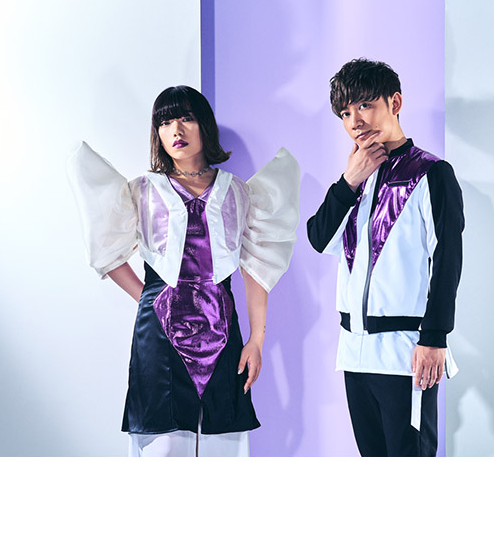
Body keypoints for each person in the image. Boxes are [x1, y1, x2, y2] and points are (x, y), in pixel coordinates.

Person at [68, 85, 300, 457]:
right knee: (162, 446)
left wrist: (256, 340)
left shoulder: (239, 192)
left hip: (222, 328)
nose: (176, 130)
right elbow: (108, 252)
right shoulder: (142, 191)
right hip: (158, 332)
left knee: (221, 446)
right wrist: (149, 298)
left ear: (204, 125)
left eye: (186, 118)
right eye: (165, 122)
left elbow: (257, 267)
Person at [307, 59, 464, 457]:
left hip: (405, 353)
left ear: (394, 102)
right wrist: (349, 181)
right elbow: (319, 239)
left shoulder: (432, 173)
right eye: (345, 113)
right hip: (354, 353)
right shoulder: (355, 177)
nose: (355, 121)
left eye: (364, 105)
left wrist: (434, 338)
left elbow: (447, 260)